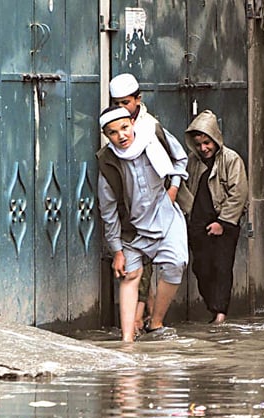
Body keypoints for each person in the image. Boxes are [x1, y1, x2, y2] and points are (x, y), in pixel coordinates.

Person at [96, 106, 189, 342]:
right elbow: (108, 211)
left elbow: (180, 158)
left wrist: (174, 187)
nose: (122, 136)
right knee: (130, 274)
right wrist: (117, 250)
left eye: (125, 128)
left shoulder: (154, 135)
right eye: (114, 132)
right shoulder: (107, 162)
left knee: (176, 262)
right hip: (133, 228)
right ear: (108, 136)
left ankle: (156, 322)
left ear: (132, 124)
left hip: (165, 215)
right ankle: (127, 340)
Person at [181, 110, 248, 324]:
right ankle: (213, 308)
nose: (204, 148)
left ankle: (220, 314)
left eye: (207, 142)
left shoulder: (231, 160)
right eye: (199, 144)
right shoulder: (192, 161)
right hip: (198, 224)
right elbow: (183, 188)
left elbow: (238, 194)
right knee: (201, 268)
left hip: (223, 223)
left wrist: (223, 222)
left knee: (221, 267)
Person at [109, 73, 159, 331]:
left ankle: (141, 319)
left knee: (147, 265)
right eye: (115, 103)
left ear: (138, 100)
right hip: (127, 209)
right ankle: (137, 321)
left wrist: (168, 197)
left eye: (125, 103)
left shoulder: (150, 126)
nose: (120, 108)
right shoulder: (113, 127)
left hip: (153, 209)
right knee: (132, 265)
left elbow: (174, 163)